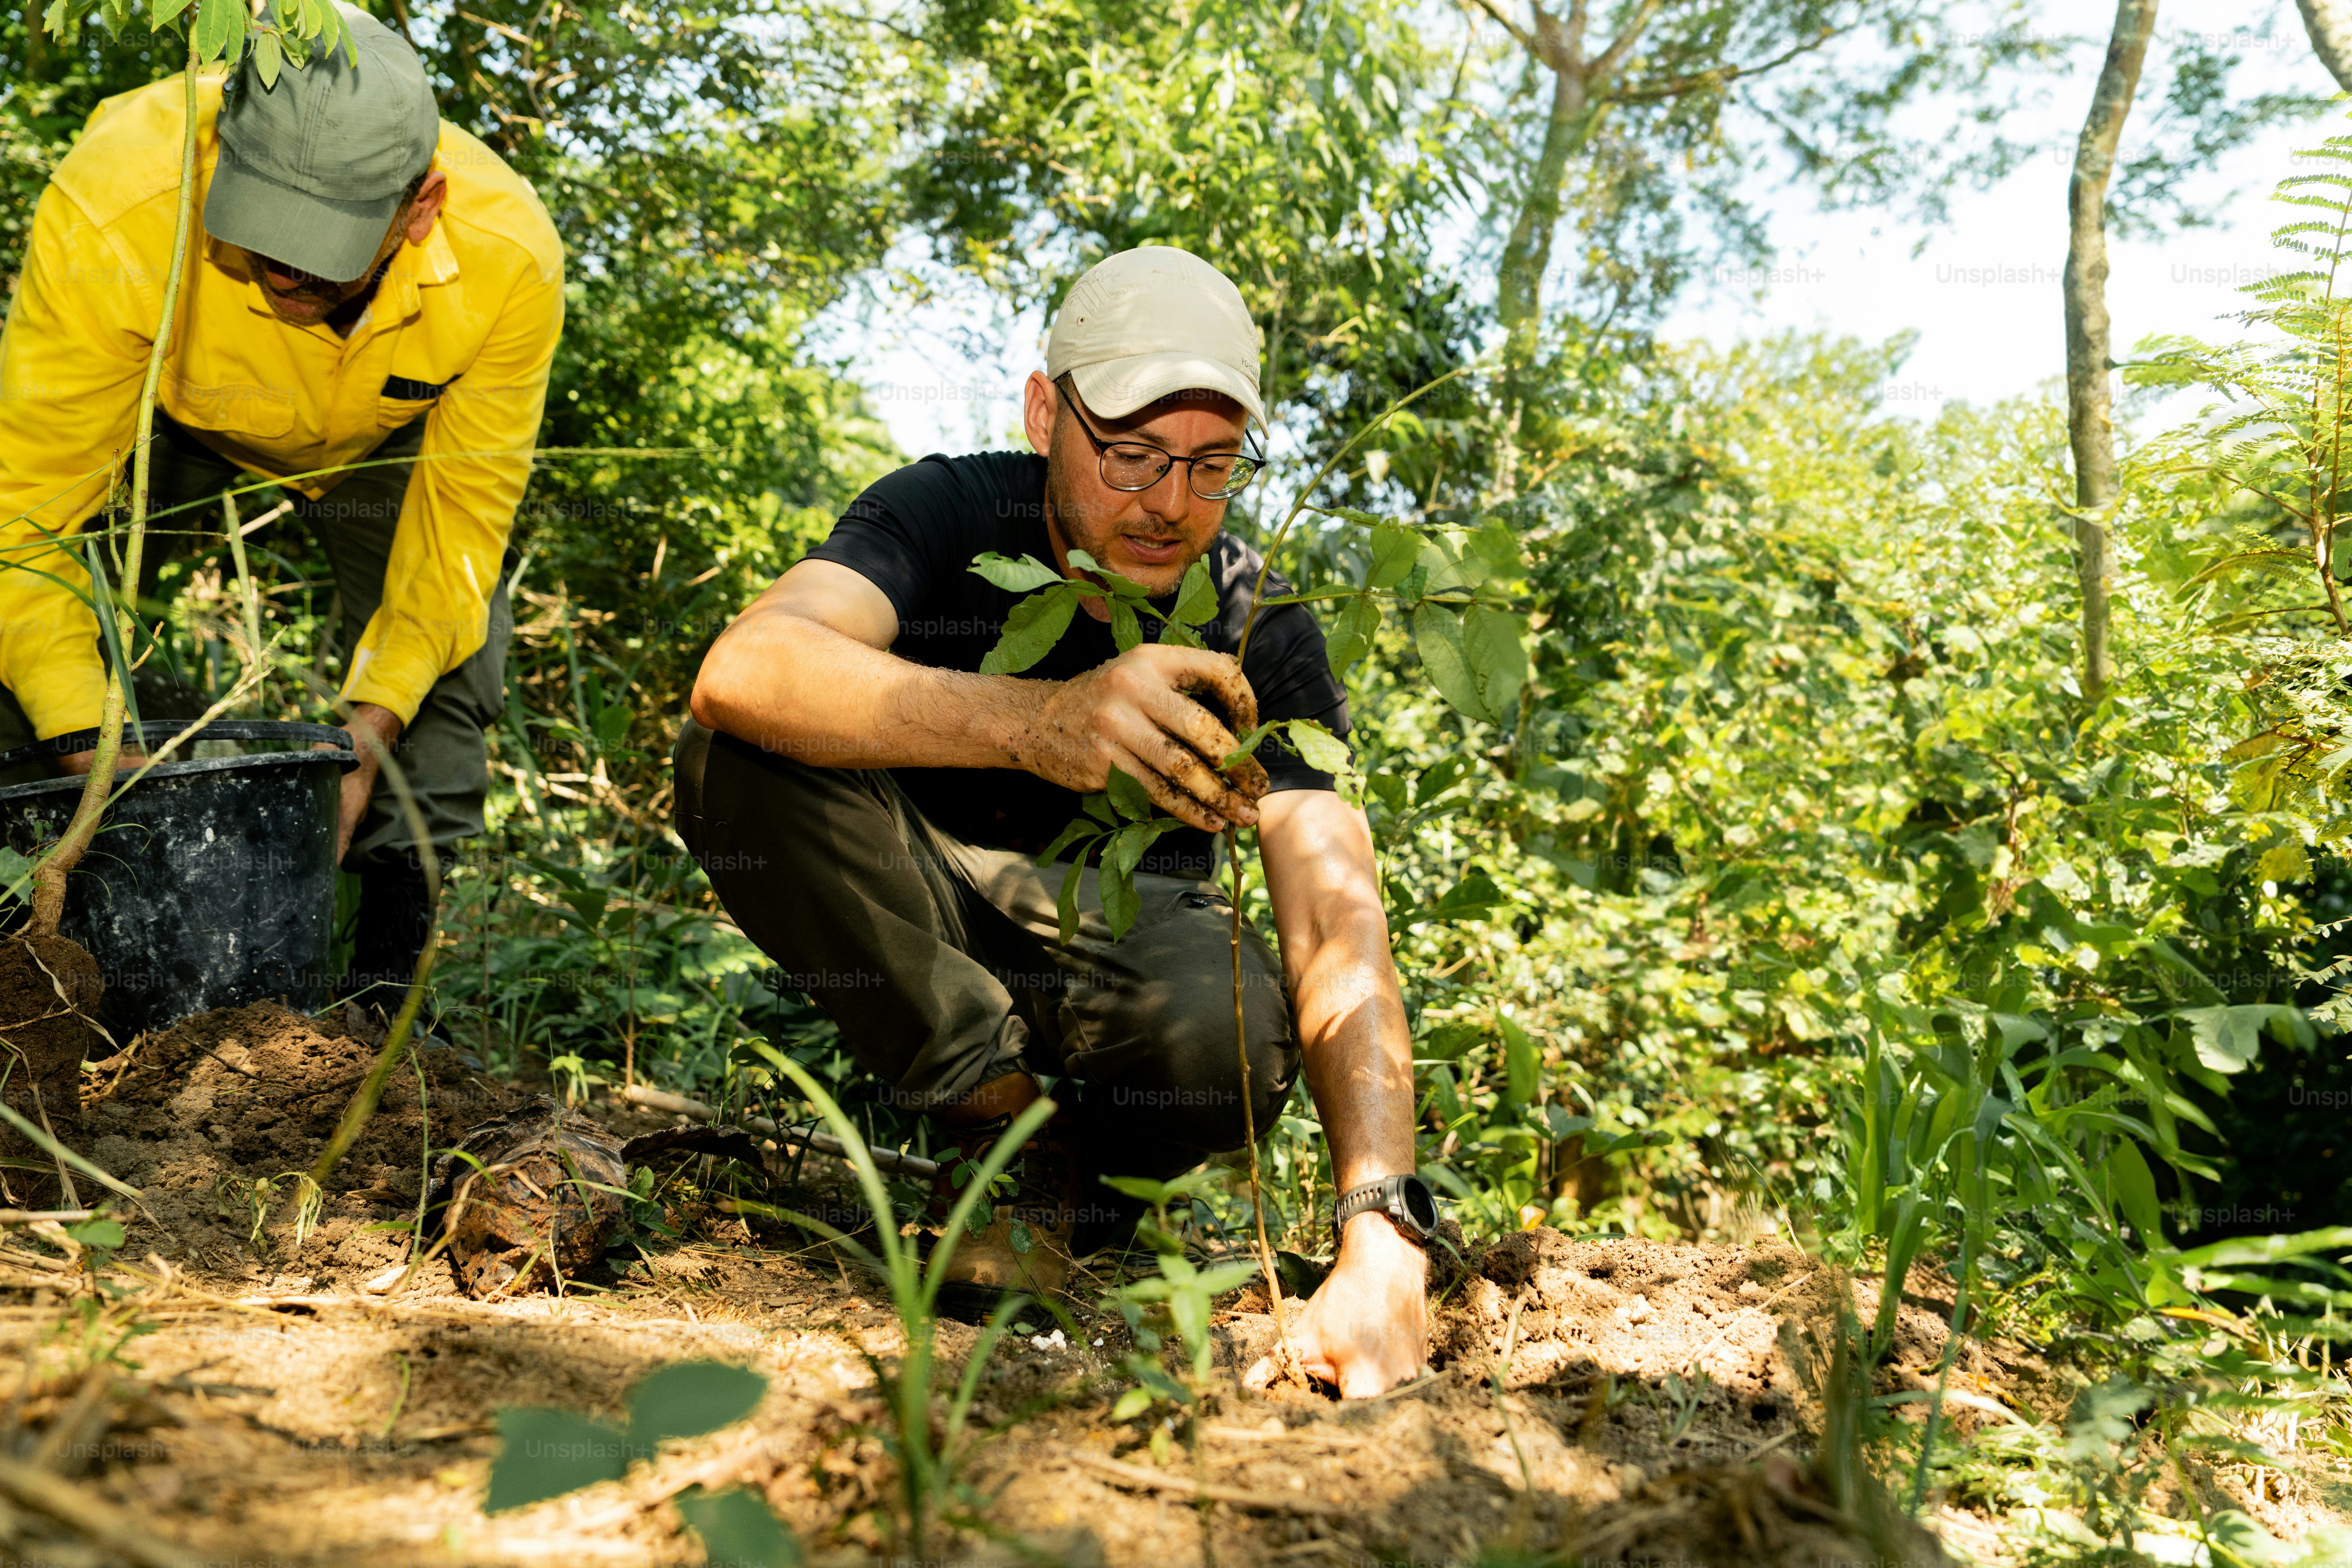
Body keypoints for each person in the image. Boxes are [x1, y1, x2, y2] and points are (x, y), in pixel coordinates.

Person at [677, 246, 1433, 1397]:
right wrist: (1040, 722)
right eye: (1131, 455)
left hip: (1118, 965)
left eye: (1212, 465)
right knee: (734, 749)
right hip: (914, 911)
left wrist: (1382, 1226)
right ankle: (1004, 1128)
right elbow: (749, 665)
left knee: (1217, 1031)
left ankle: (1085, 1183)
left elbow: (1334, 902)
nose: (1170, 502)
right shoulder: (945, 510)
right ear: (1047, 412)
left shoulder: (1254, 618)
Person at [0, 3, 564, 996]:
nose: (286, 266)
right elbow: (25, 511)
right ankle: (34, 925)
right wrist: (86, 737)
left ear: (420, 206)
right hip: (168, 414)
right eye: (261, 223)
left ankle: (390, 992)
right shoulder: (120, 202)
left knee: (462, 648)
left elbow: (459, 534)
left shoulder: (508, 257)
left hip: (381, 442)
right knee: (26, 634)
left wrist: (368, 730)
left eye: (326, 239)